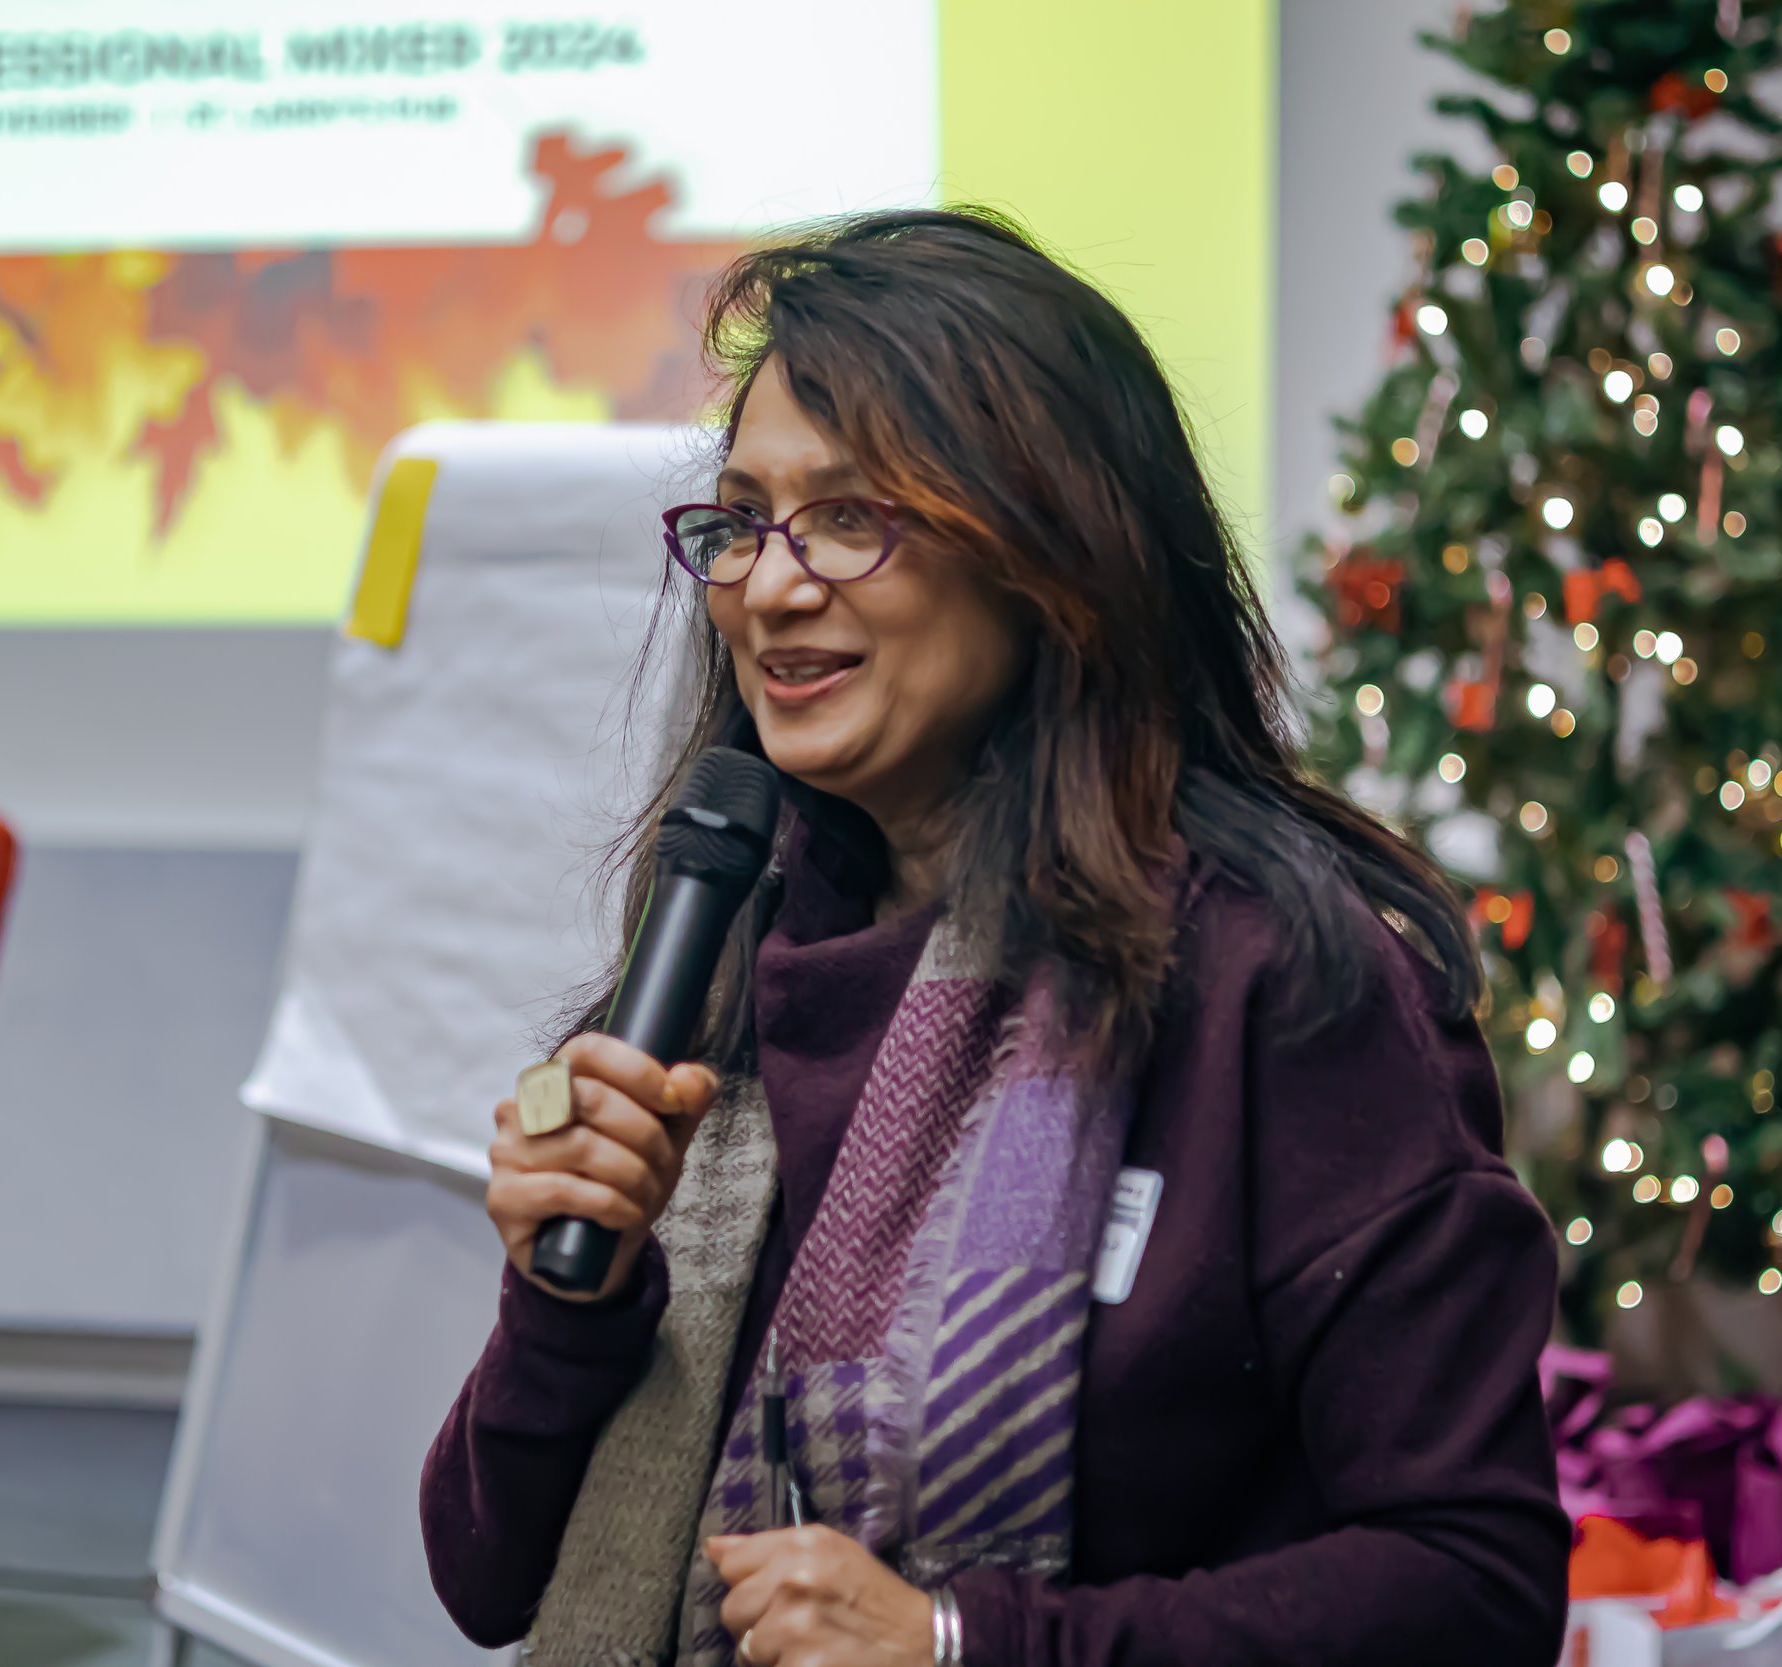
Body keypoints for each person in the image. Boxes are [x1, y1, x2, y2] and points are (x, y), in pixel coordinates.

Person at [420, 209, 1568, 1667]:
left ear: (1050, 553)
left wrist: (969, 1642)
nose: (770, 586)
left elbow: (1475, 1589)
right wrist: (565, 1293)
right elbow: (484, 1573)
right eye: (744, 519)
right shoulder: (725, 965)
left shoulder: (1277, 980)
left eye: (851, 516)